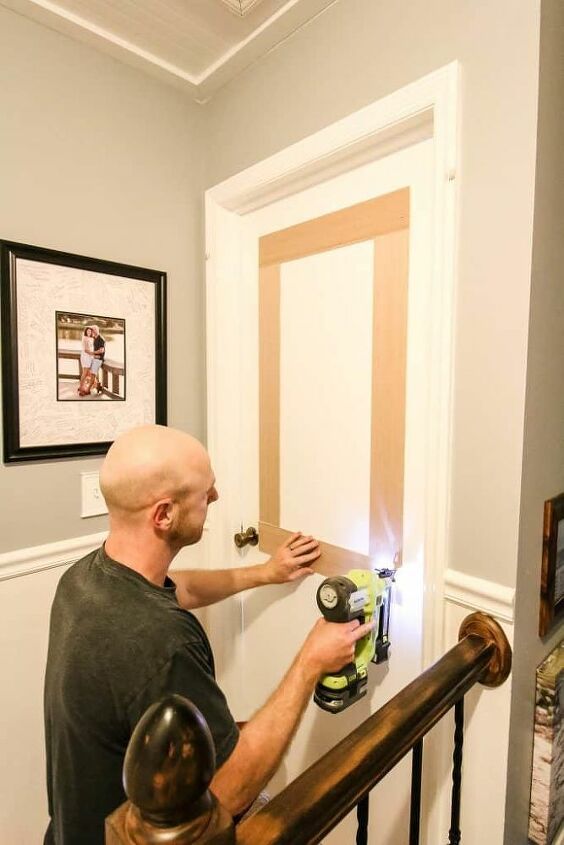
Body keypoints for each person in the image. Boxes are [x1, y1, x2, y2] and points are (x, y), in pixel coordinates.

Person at [43, 425, 373, 845]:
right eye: (205, 492)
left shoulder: (86, 580)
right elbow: (230, 791)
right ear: (164, 515)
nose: (215, 498)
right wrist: (311, 661)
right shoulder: (161, 642)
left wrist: (265, 573)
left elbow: (177, 589)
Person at [89, 324, 106, 395]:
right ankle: (97, 385)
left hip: (98, 359)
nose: (94, 331)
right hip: (95, 358)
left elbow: (102, 350)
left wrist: (92, 353)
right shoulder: (94, 338)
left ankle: (88, 389)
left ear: (98, 330)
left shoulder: (101, 339)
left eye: (95, 330)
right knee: (91, 373)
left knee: (93, 374)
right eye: (93, 330)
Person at [77, 326, 94, 396]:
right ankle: (81, 388)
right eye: (88, 331)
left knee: (87, 372)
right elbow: (86, 350)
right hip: (86, 356)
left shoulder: (90, 338)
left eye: (90, 331)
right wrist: (95, 354)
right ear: (86, 331)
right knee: (85, 373)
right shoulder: (85, 338)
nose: (89, 332)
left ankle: (83, 387)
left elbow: (90, 348)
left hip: (88, 356)